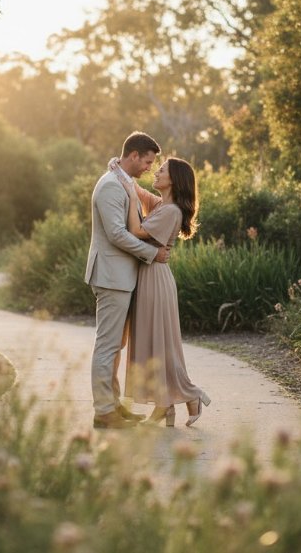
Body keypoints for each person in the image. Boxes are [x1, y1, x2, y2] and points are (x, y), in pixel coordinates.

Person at [112, 156, 210, 427]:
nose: (155, 172)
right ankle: (167, 406)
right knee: (155, 343)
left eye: (162, 169)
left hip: (155, 281)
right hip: (150, 277)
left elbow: (135, 230)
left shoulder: (170, 211)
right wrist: (121, 173)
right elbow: (138, 191)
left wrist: (131, 198)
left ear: (173, 180)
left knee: (159, 344)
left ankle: (188, 394)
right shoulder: (162, 205)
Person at [85, 131, 170, 429]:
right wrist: (152, 253)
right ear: (133, 155)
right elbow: (117, 234)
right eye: (147, 161)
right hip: (111, 276)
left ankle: (114, 405)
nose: (149, 167)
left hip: (122, 276)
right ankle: (103, 411)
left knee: (115, 346)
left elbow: (159, 204)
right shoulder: (110, 186)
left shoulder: (125, 181)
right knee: (107, 345)